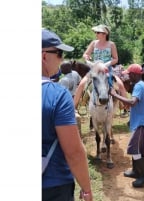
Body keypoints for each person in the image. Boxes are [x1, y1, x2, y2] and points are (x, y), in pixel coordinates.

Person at [42, 28, 93, 201]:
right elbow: (74, 153)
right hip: (53, 187)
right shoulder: (58, 92)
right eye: (59, 53)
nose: (61, 59)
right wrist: (86, 189)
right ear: (43, 56)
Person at [110, 64, 144, 188]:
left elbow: (133, 102)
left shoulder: (139, 86)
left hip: (142, 123)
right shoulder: (140, 85)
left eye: (129, 74)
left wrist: (115, 95)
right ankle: (135, 171)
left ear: (134, 74)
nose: (128, 76)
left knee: (136, 149)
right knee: (137, 148)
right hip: (141, 121)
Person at [74, 24, 128, 114]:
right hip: (95, 69)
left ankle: (125, 107)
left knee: (121, 85)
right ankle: (74, 107)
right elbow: (85, 54)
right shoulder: (94, 43)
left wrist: (105, 64)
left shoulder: (111, 44)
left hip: (107, 69)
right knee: (81, 84)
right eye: (96, 32)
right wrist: (87, 57)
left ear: (104, 34)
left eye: (97, 32)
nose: (96, 34)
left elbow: (116, 59)